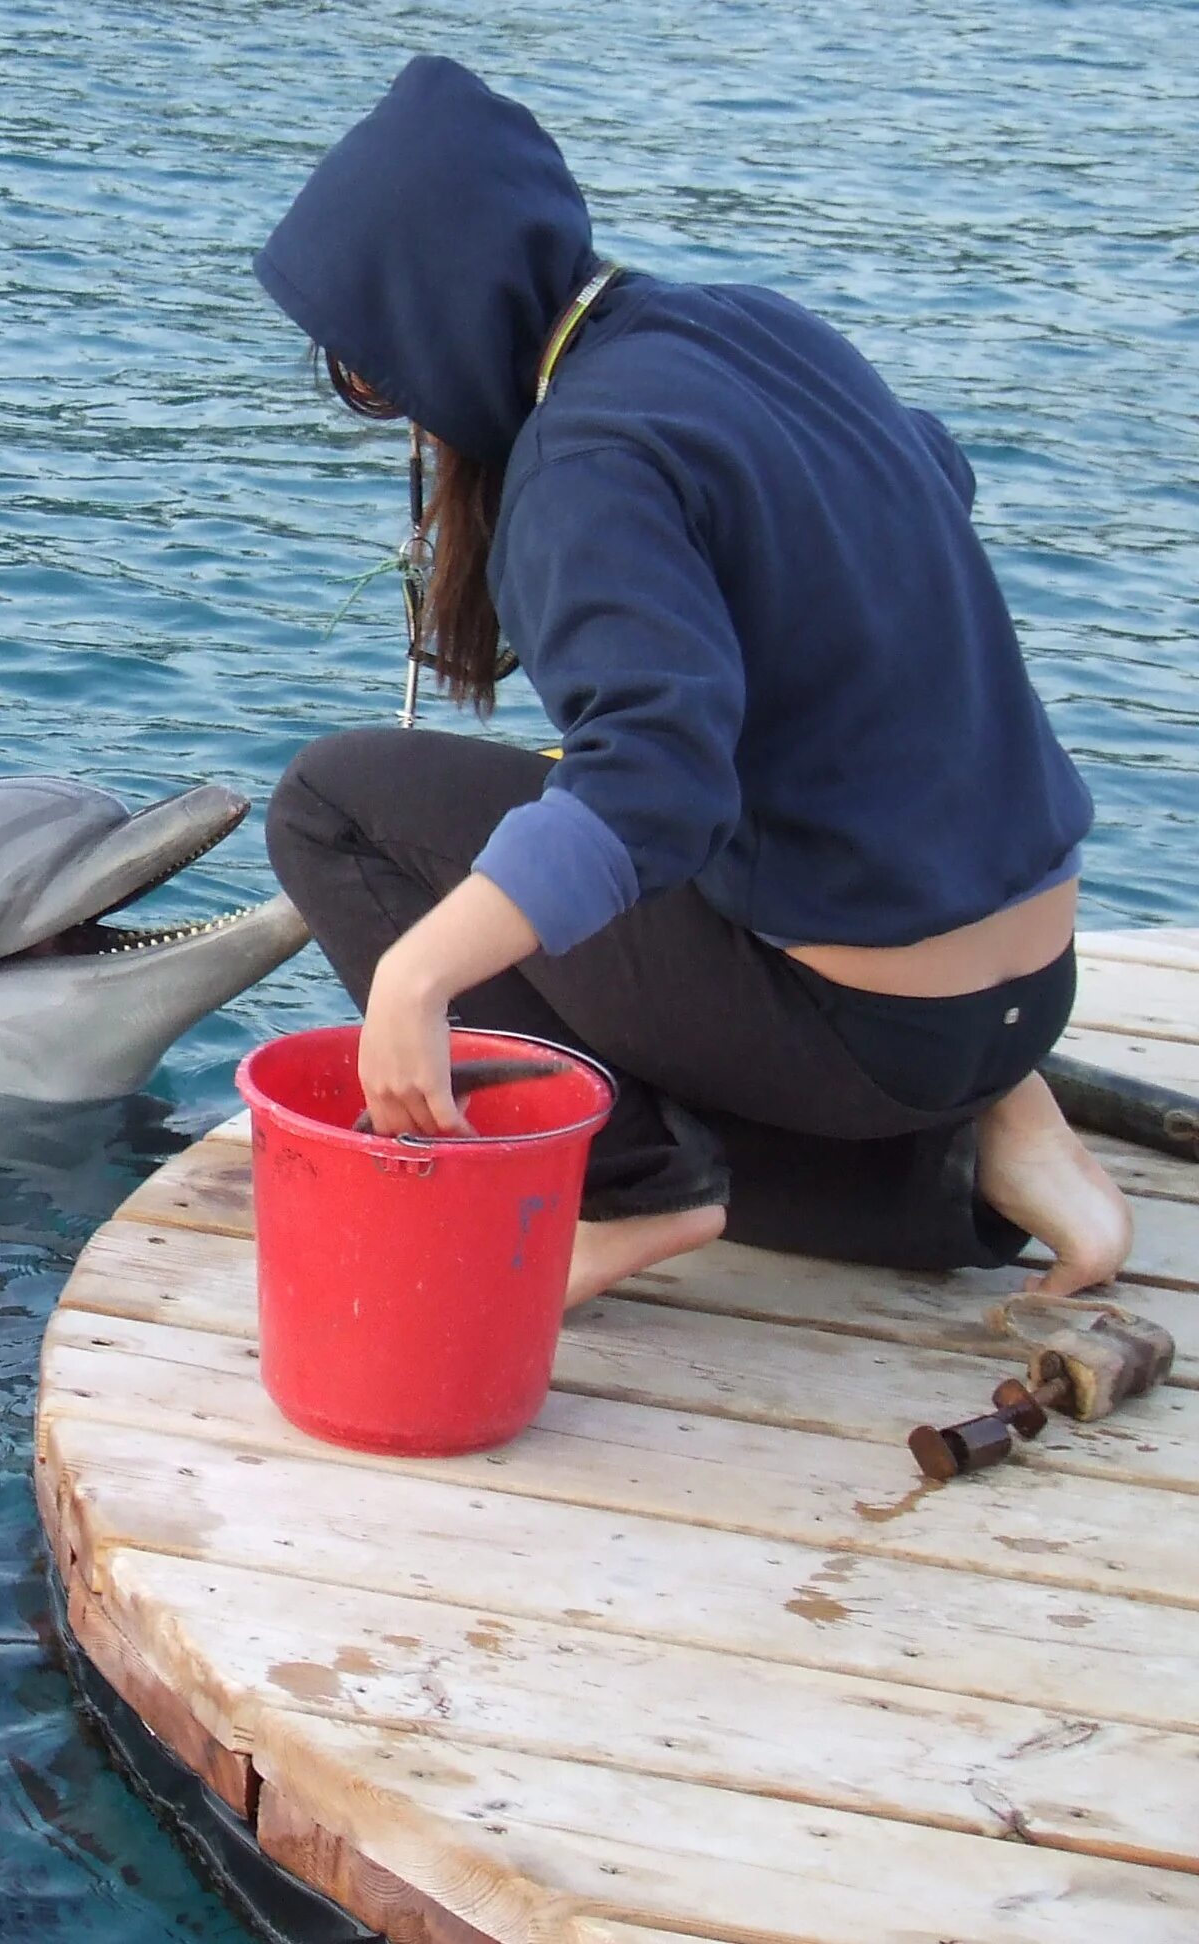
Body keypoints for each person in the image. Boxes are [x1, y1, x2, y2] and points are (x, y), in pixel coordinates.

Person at [250, 55, 1132, 1306]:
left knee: (335, 806)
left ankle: (619, 1194)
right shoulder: (752, 326)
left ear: (438, 328)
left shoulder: (582, 463)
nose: (383, 407)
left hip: (872, 1033)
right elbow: (933, 480)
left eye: (368, 372)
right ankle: (989, 1140)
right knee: (566, 815)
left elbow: (656, 781)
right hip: (1024, 990)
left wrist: (418, 973)